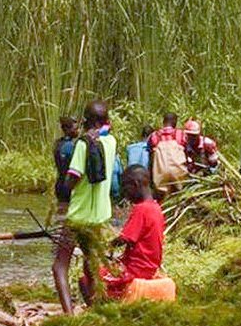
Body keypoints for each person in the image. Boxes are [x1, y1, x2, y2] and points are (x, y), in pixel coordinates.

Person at [52, 100, 117, 314]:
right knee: (90, 265)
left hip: (78, 216)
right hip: (99, 215)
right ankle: (95, 308)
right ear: (106, 121)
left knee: (59, 266)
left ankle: (69, 316)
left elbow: (72, 180)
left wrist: (64, 186)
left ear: (84, 121)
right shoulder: (111, 142)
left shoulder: (82, 144)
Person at [100, 165, 165, 299]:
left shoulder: (141, 209)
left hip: (136, 269)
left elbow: (125, 238)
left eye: (125, 188)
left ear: (135, 185)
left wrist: (107, 245)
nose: (125, 193)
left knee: (90, 276)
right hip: (149, 267)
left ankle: (101, 311)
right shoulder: (156, 207)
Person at [148, 113, 188, 196]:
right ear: (175, 122)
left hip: (160, 172)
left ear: (163, 122)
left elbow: (150, 156)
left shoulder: (154, 135)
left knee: (163, 196)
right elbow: (187, 151)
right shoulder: (181, 134)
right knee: (180, 193)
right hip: (178, 170)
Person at [53, 116, 79, 212]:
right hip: (68, 183)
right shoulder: (70, 146)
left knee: (61, 210)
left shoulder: (58, 143)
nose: (78, 131)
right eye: (75, 129)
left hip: (59, 182)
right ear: (67, 129)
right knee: (67, 211)